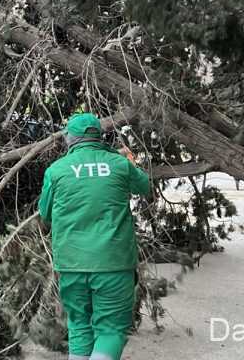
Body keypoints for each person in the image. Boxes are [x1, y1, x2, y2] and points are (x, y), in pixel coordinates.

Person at [38, 113, 150, 360]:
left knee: (79, 325)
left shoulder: (56, 171)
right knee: (111, 329)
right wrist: (127, 160)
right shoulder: (119, 164)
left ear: (70, 139)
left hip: (72, 264)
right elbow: (145, 187)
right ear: (99, 137)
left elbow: (45, 213)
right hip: (113, 263)